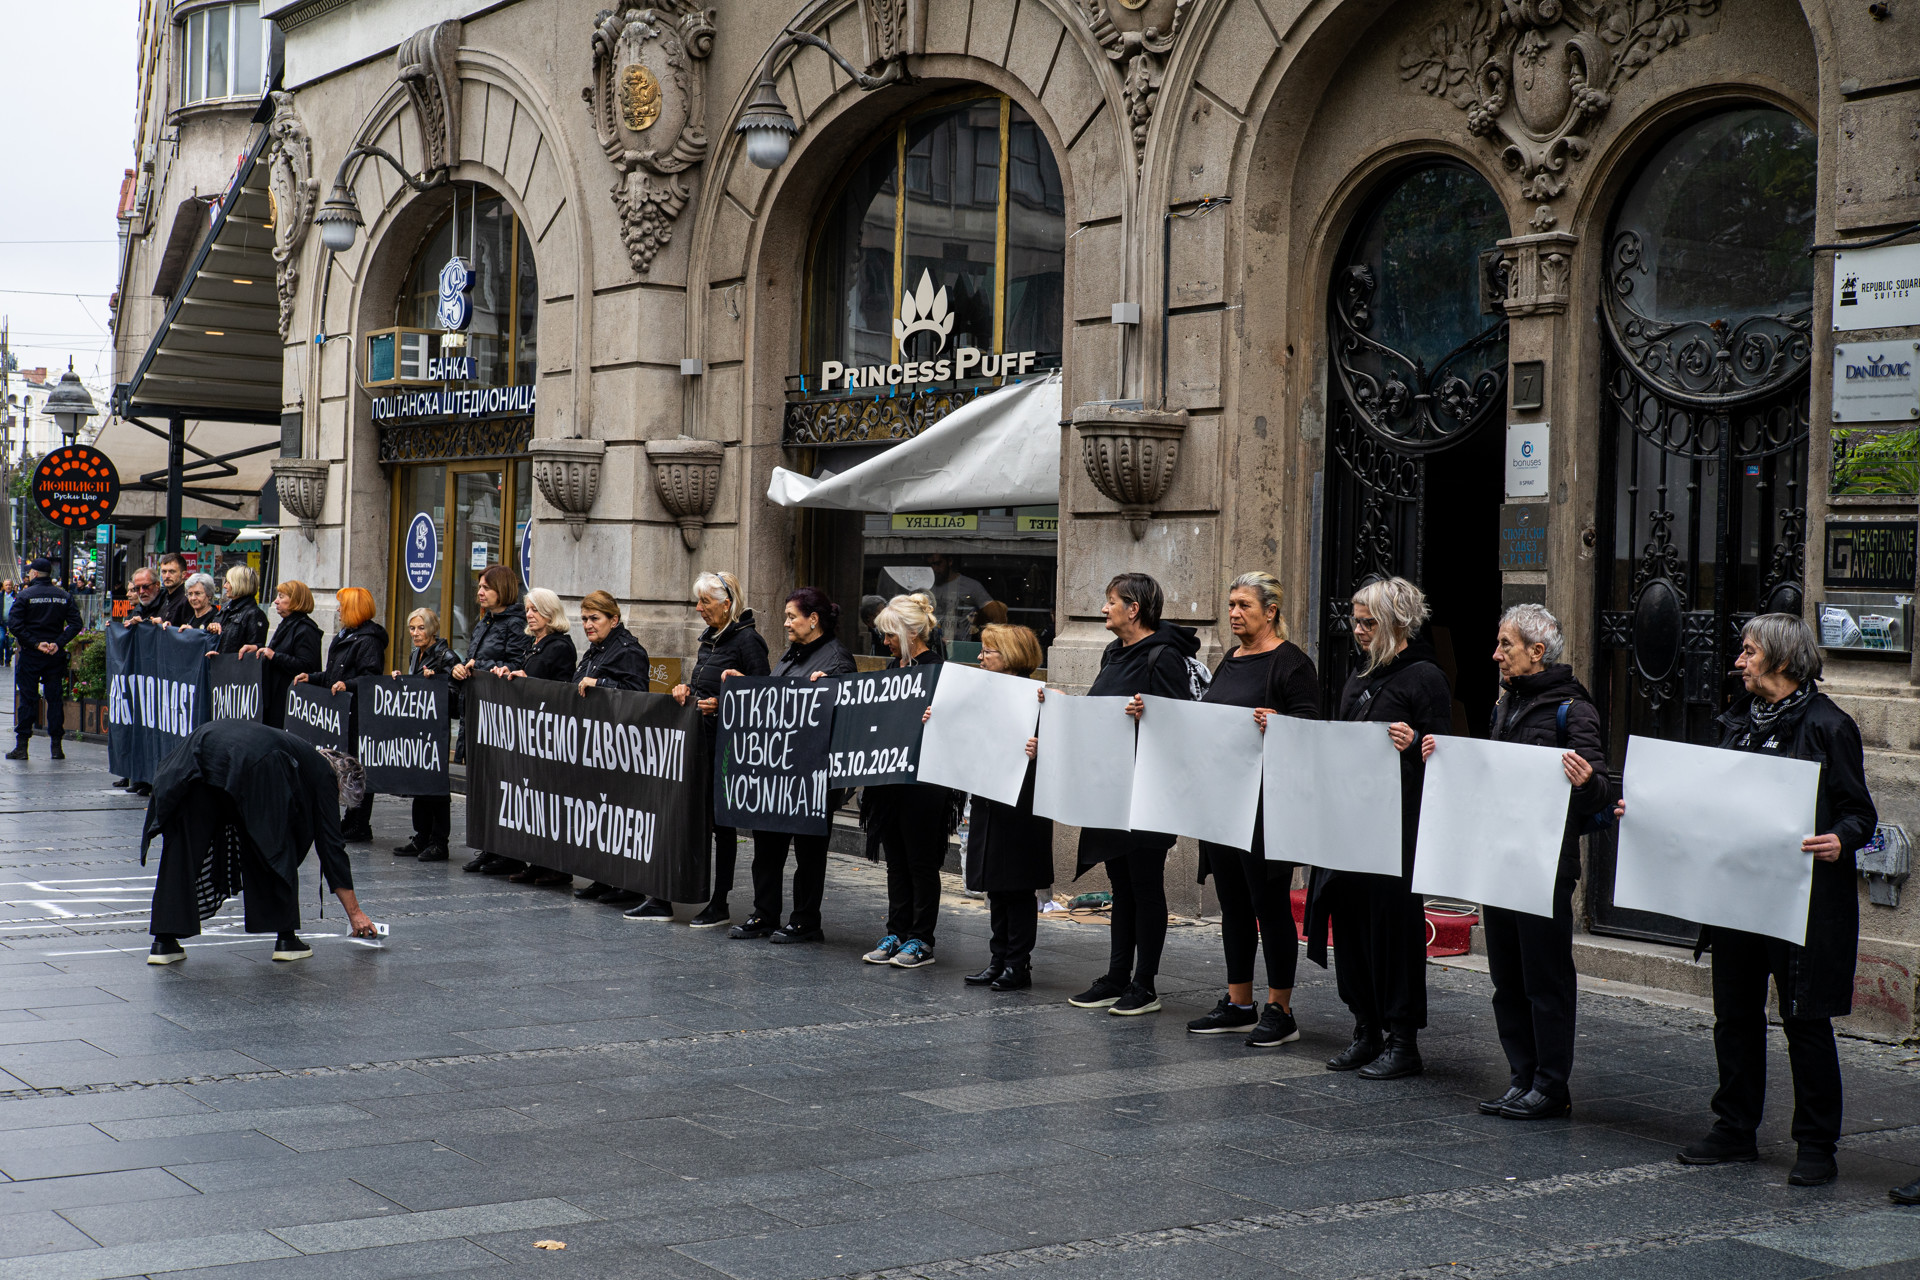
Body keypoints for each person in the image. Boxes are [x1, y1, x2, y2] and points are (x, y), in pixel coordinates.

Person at [1616, 615, 1873, 1189]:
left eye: (1750, 651)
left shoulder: (1829, 726)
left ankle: (1817, 1145)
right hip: (1737, 898)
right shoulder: (1738, 721)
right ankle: (1734, 1129)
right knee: (1734, 1016)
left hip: (1801, 903)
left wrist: (1841, 838)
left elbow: (1860, 812)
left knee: (1805, 1022)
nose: (1739, 661)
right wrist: (1649, 811)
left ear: (1781, 660)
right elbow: (1708, 801)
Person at [1421, 604, 1610, 1119]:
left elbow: (1600, 791)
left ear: (1537, 651)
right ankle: (1521, 1076)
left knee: (1546, 979)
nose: (1496, 654)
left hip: (1544, 867)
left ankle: (1551, 1085)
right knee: (1507, 979)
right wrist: (1446, 756)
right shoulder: (1506, 704)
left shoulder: (1574, 709)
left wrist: (1585, 782)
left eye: (1505, 644)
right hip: (1500, 860)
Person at [1304, 577, 1451, 1081]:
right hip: (1351, 823)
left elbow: (1445, 758)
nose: (1358, 629)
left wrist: (1414, 744)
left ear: (1398, 622)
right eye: (1356, 620)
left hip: (1396, 829)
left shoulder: (1425, 677)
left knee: (1392, 931)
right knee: (1350, 927)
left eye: (1369, 622)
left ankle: (1402, 1040)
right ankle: (1365, 1029)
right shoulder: (1361, 674)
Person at [1184, 572, 1321, 1047]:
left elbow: (1311, 730)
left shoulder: (1292, 663)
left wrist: (1281, 724)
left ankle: (1281, 1010)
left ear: (1271, 611)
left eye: (1244, 605)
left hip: (1265, 808)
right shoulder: (1231, 659)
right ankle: (1239, 1003)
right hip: (1224, 802)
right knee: (1234, 905)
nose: (1234, 613)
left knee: (1270, 906)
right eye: (1231, 605)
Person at [1067, 572, 1201, 1017]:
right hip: (1112, 789)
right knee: (1121, 885)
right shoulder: (1113, 652)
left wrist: (1150, 715)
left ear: (1134, 609)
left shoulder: (1164, 656)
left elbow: (1182, 724)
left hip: (1148, 792)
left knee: (1145, 885)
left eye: (1111, 601)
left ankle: (1145, 985)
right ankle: (1116, 977)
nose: (1104, 609)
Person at [144, 719, 377, 964]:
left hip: (197, 751)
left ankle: (163, 942)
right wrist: (355, 913)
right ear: (342, 782)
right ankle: (286, 939)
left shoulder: (296, 750)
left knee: (182, 851)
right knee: (276, 840)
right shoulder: (324, 773)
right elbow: (331, 846)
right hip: (245, 760)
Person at [732, 586, 856, 943]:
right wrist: (747, 687)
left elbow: (846, 717)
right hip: (778, 773)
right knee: (767, 848)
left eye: (791, 617)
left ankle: (805, 920)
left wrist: (830, 690)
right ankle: (764, 913)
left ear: (813, 619)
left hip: (811, 777)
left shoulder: (836, 660)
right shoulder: (793, 654)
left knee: (808, 852)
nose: (785, 623)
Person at [663, 572, 769, 929]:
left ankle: (719, 901)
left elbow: (763, 697)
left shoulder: (748, 641)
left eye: (705, 602)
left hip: (727, 749)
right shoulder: (709, 639)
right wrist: (685, 690)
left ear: (727, 605)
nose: (698, 608)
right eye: (699, 601)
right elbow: (703, 684)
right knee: (696, 820)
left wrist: (723, 706)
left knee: (723, 827)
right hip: (700, 744)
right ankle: (674, 891)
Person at [949, 623, 1051, 991]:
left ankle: (1017, 964)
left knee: (1017, 885)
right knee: (995, 883)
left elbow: (1063, 749)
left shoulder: (1039, 697)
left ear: (1009, 656)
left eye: (987, 651)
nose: (979, 657)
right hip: (990, 799)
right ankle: (998, 959)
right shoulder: (984, 693)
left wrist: (1043, 748)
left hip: (1022, 805)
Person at [860, 593, 951, 969]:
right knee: (896, 861)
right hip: (890, 781)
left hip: (923, 784)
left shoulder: (938, 671)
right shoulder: (891, 668)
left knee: (920, 862)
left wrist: (937, 716)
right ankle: (896, 931)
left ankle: (921, 938)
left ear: (911, 633)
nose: (884, 642)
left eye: (889, 635)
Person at [559, 592, 650, 907]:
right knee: (600, 815)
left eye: (594, 618)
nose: (587, 624)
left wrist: (601, 685)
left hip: (619, 749)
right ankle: (603, 876)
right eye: (584, 619)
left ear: (614, 619)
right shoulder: (595, 649)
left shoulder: (629, 651)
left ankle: (627, 884)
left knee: (618, 815)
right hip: (594, 746)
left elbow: (638, 695)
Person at [484, 588, 578, 885]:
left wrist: (529, 680)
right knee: (534, 800)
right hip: (530, 734)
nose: (529, 614)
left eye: (535, 609)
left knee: (550, 800)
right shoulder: (534, 643)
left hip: (551, 732)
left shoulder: (559, 645)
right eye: (527, 609)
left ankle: (557, 867)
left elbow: (560, 688)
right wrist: (510, 671)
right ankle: (536, 861)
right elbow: (527, 672)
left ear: (550, 613)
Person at [292, 587, 388, 842]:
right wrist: (313, 678)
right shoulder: (347, 635)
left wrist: (348, 685)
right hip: (341, 713)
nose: (337, 610)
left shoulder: (369, 640)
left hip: (356, 714)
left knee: (355, 767)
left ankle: (359, 822)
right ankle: (350, 819)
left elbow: (370, 678)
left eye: (342, 606)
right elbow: (335, 674)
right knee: (345, 765)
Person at [390, 607, 461, 863]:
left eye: (421, 628)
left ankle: (439, 842)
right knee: (419, 783)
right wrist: (402, 680)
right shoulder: (415, 654)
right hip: (419, 731)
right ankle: (421, 836)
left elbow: (456, 699)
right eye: (412, 628)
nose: (415, 633)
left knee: (436, 788)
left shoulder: (446, 656)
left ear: (432, 629)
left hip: (436, 733)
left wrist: (436, 682)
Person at [6, 559, 83, 762]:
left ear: (34, 574)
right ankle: (56, 747)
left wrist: (34, 643)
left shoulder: (25, 595)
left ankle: (22, 747)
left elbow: (14, 624)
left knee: (28, 699)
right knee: (55, 699)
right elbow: (76, 623)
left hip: (31, 655)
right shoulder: (63, 596)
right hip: (54, 655)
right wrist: (58, 643)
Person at [241, 580, 324, 731]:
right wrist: (259, 648)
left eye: (281, 596)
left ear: (295, 600)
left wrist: (274, 656)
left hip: (290, 703)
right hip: (276, 698)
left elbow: (307, 666)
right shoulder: (288, 624)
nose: (276, 601)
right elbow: (278, 651)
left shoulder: (305, 629)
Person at [207, 565, 268, 655]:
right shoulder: (225, 609)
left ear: (240, 584)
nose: (224, 586)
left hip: (234, 663)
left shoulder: (254, 614)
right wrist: (211, 628)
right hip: (219, 662)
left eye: (228, 582)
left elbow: (254, 652)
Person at [156, 552, 195, 626]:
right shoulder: (164, 596)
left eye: (172, 571)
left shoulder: (187, 599)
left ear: (183, 574)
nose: (167, 576)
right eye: (164, 572)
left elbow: (187, 631)